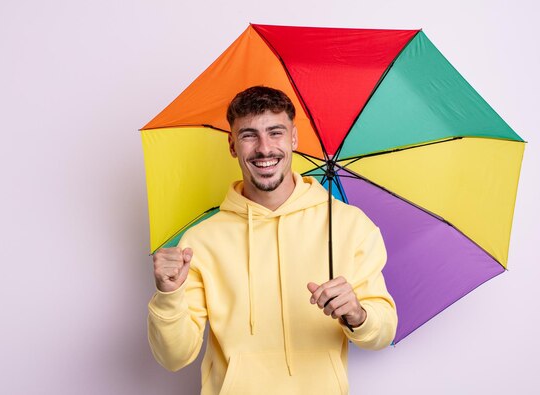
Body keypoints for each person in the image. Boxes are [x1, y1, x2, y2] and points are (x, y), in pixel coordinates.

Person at [148, 86, 397, 394]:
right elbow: (174, 357)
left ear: (293, 137)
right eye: (249, 135)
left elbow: (383, 331)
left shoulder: (348, 224)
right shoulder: (201, 241)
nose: (264, 148)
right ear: (232, 145)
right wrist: (168, 296)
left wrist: (358, 315)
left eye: (275, 132)